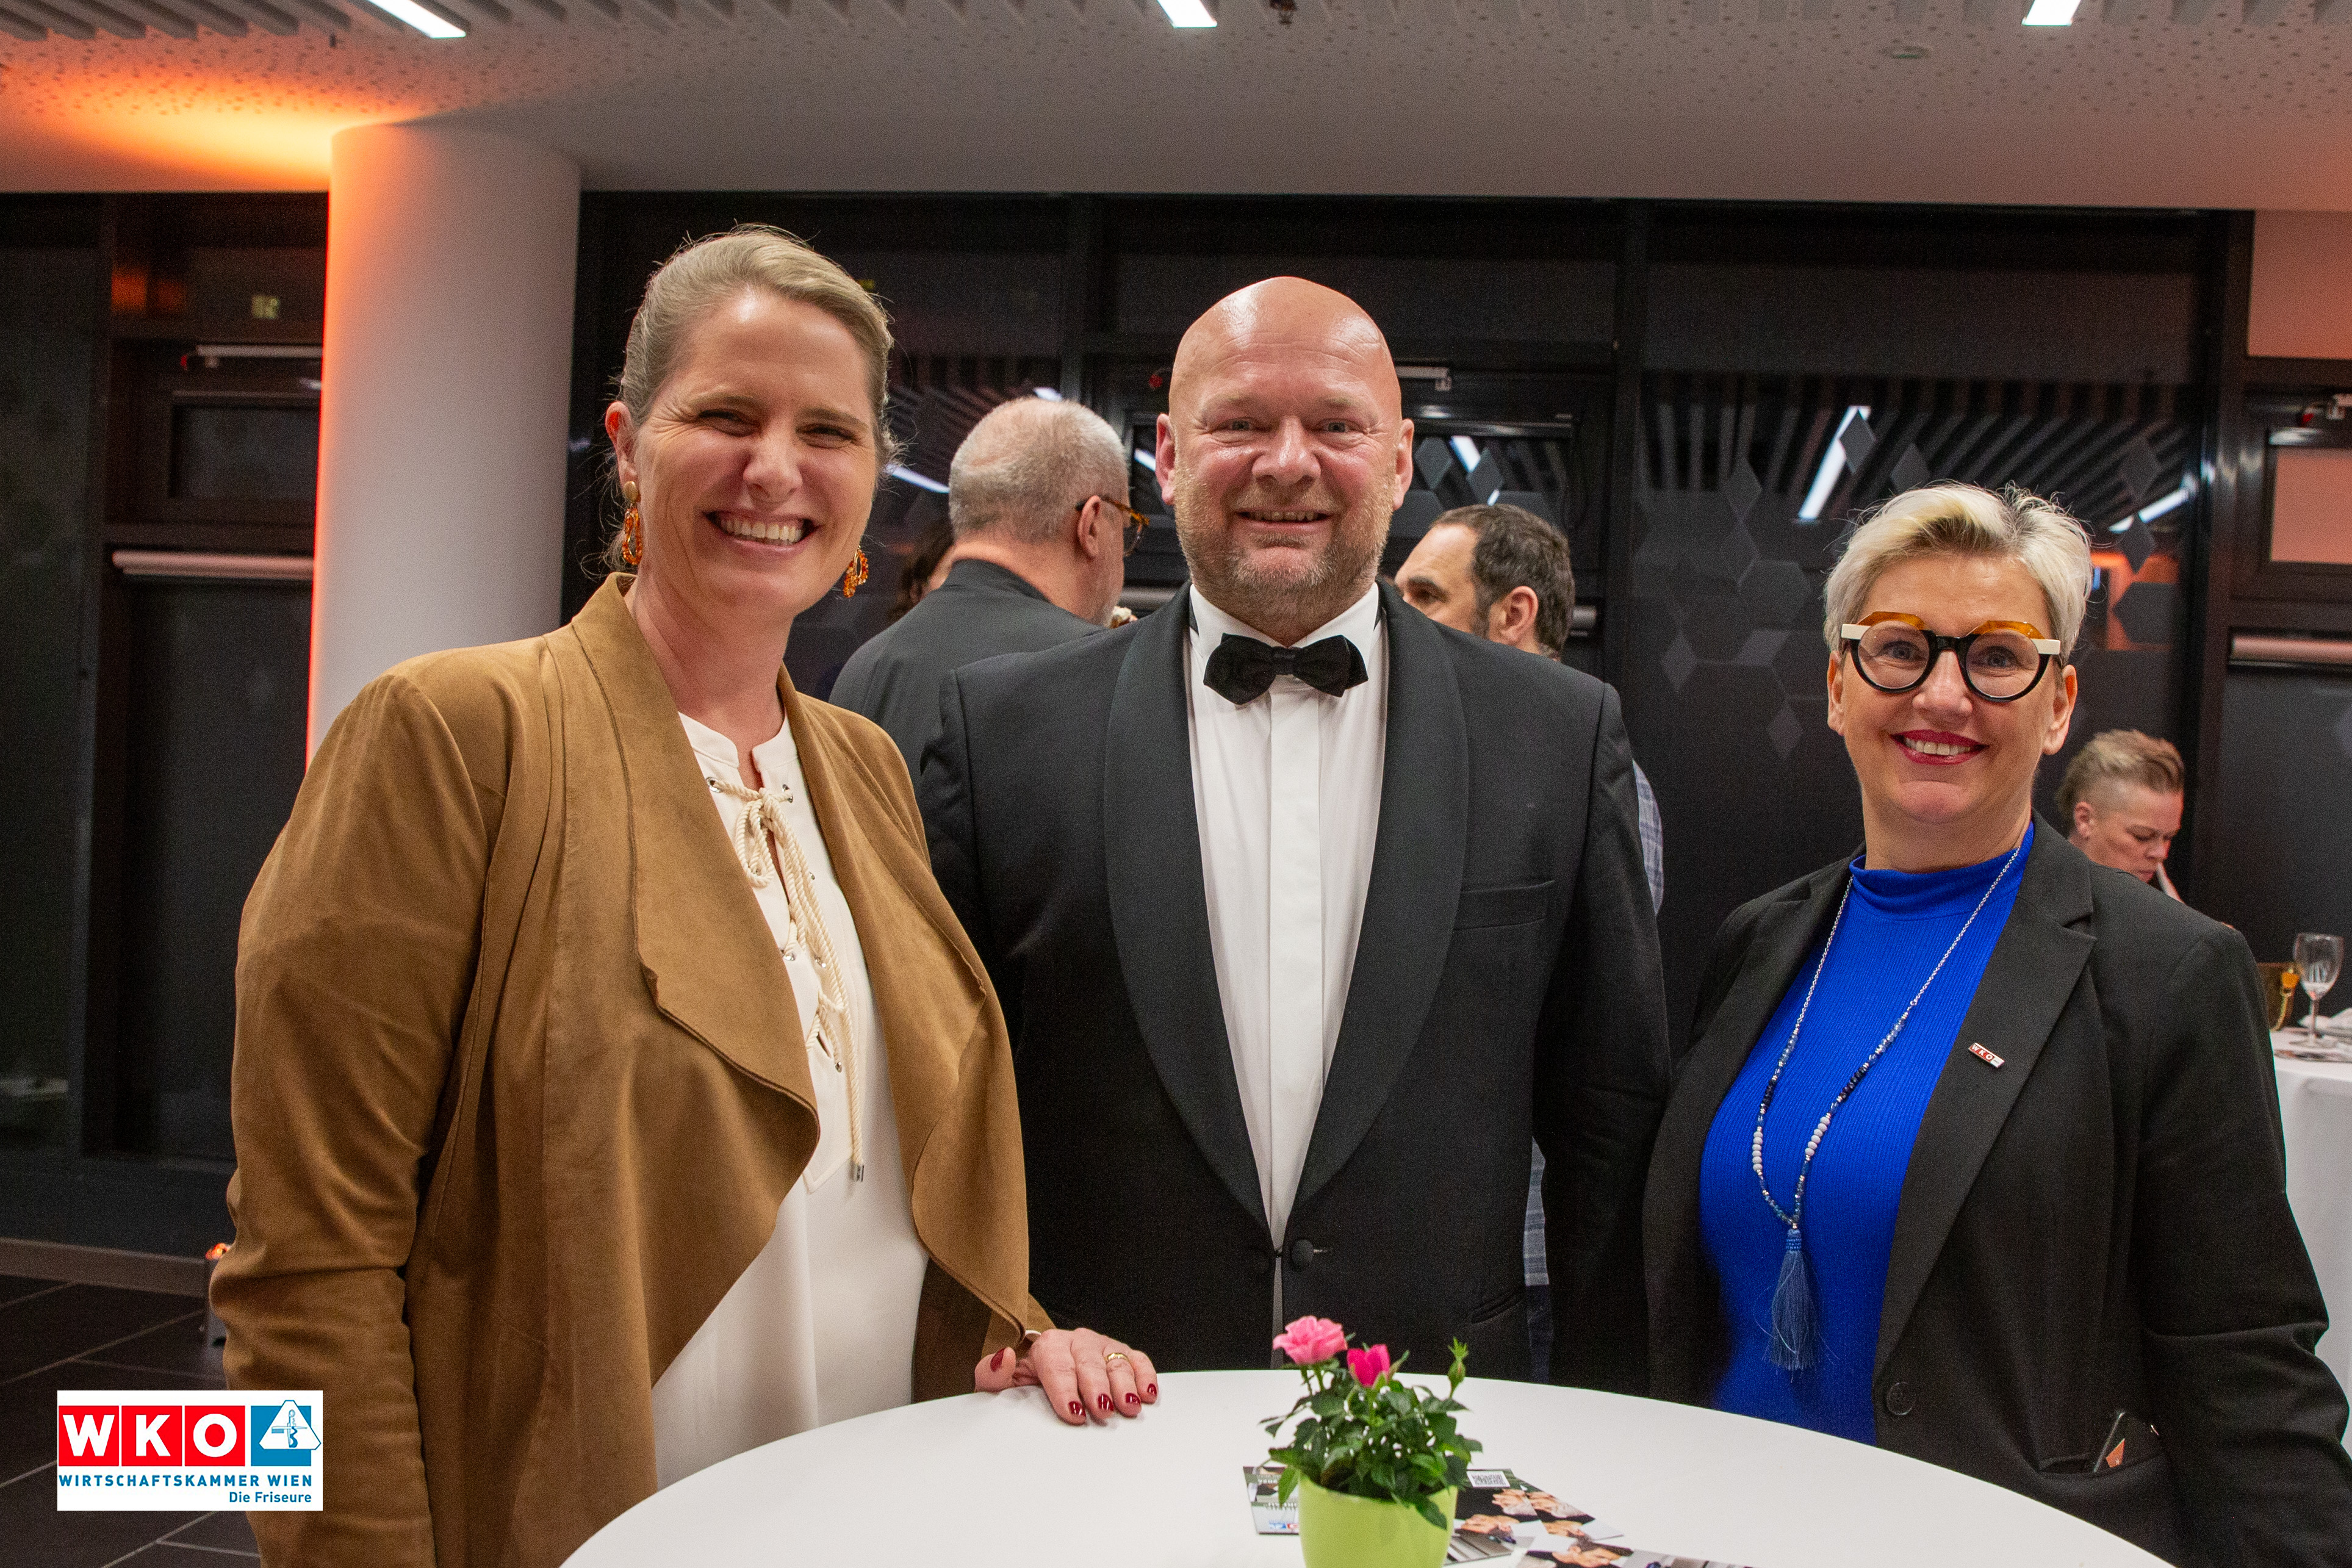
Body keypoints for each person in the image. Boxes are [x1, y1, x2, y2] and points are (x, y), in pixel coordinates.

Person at [212, 227, 1153, 1568]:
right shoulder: (454, 736)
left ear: (871, 477)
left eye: (826, 431)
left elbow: (878, 1195)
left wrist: (1014, 1331)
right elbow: (307, 1266)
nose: (775, 469)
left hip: (873, 1520)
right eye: (724, 415)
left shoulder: (861, 770)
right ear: (627, 444)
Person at [921, 277, 1669, 1387]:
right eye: (1238, 423)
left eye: (1334, 425)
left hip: (1447, 1414)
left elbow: (1608, 1127)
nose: (1285, 463)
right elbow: (938, 1110)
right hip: (1097, 1418)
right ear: (1166, 455)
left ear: (1401, 459)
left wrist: (1611, 1422)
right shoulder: (1002, 735)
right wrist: (996, 1331)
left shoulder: (1557, 738)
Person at [1644, 483, 2352, 1564]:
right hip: (1718, 1531)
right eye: (1898, 649)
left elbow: (2242, 1356)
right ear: (1836, 685)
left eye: (1995, 657)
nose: (1942, 694)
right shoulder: (1760, 940)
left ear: (2057, 703)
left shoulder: (2164, 973)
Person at [1397, 501, 1666, 1383]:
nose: (1400, 615)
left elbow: (1594, 1032)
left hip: (1522, 1255)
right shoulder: (1429, 757)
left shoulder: (1588, 772)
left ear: (1513, 612)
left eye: (1426, 595)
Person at [831, 397, 1137, 775]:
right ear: (1091, 525)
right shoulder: (1105, 675)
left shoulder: (864, 671)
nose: (1123, 556)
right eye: (1126, 527)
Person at [2057, 728, 2185, 899]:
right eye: (2142, 836)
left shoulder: (2165, 902)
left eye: (2168, 837)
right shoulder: (2032, 898)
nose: (2161, 853)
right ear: (2085, 820)